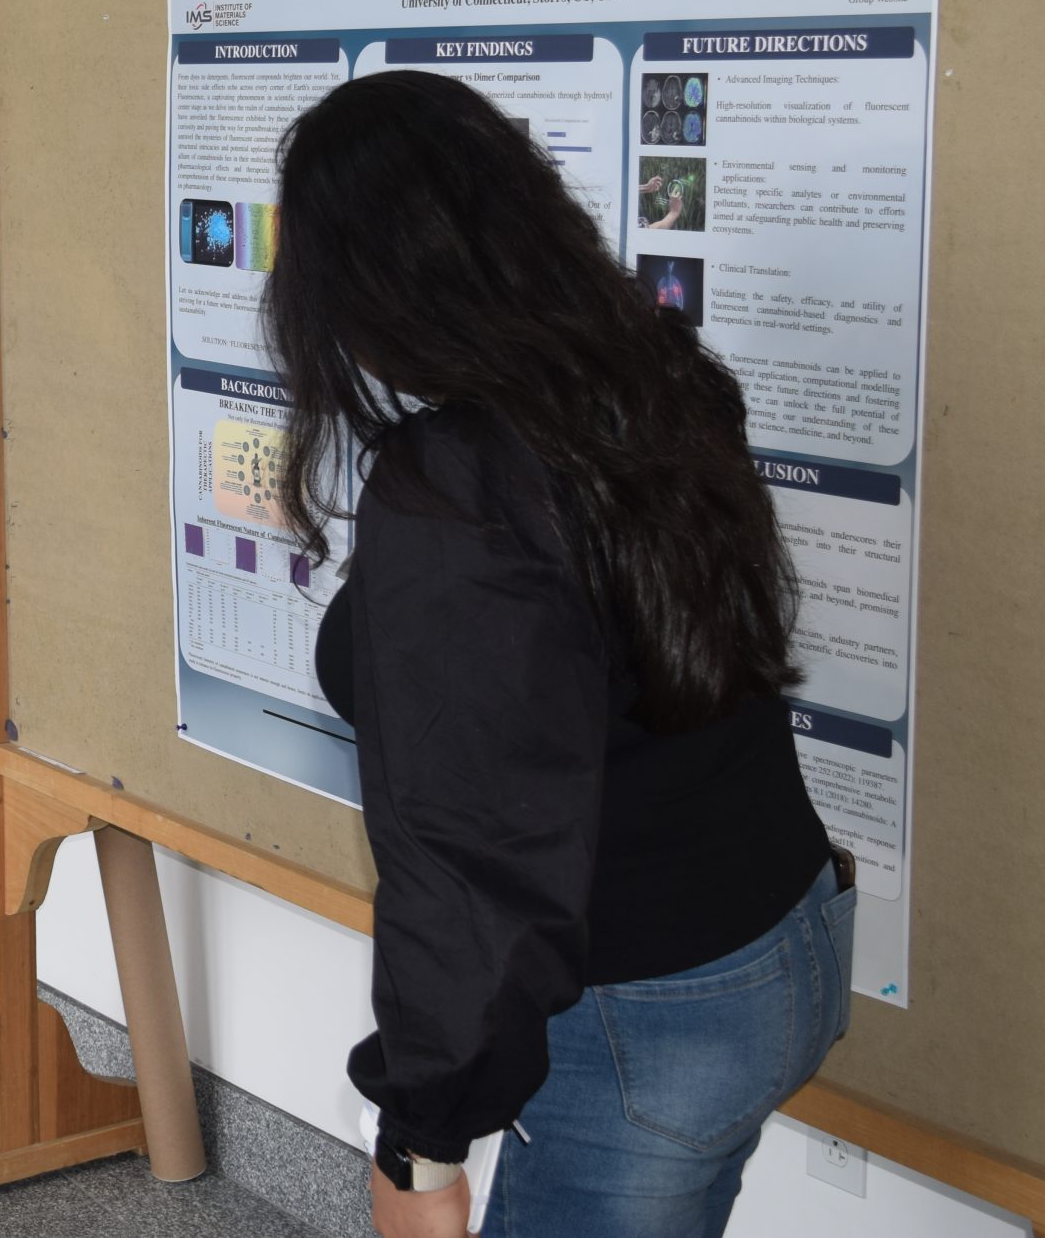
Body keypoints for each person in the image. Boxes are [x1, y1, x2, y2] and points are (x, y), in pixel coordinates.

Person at [264, 69, 852, 1238]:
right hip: (782, 944)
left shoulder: (458, 486)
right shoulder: (654, 378)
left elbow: (473, 846)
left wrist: (425, 1135)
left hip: (641, 1015)